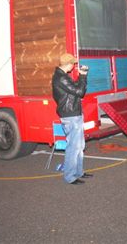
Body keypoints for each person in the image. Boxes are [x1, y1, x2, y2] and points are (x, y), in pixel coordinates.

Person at [52, 53, 90, 185]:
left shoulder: (63, 77)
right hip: (70, 115)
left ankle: (78, 172)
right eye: (73, 63)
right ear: (68, 64)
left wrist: (81, 77)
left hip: (73, 114)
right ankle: (70, 176)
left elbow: (76, 90)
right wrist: (83, 76)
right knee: (73, 147)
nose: (74, 66)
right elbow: (80, 92)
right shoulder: (61, 78)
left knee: (79, 146)